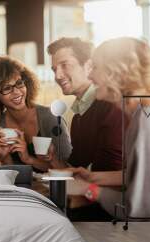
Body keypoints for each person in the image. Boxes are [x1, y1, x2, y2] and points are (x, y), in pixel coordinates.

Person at [70, 37, 150, 219]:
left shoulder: (146, 123)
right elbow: (142, 179)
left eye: (96, 67)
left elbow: (138, 213)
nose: (90, 75)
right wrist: (95, 178)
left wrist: (89, 190)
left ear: (117, 72)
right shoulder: (141, 114)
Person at [0, 55, 71, 171]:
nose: (16, 92)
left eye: (19, 83)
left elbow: (67, 170)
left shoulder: (51, 118)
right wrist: (4, 157)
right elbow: (12, 174)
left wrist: (28, 159)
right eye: (6, 88)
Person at [47, 37, 124, 172]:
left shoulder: (111, 105)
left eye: (65, 65)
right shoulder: (78, 115)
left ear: (88, 66)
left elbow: (113, 169)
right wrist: (52, 158)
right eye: (54, 70)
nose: (57, 76)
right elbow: (77, 169)